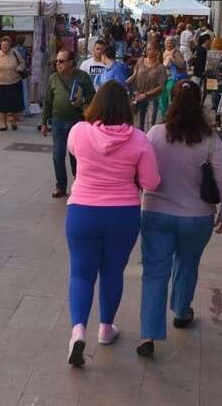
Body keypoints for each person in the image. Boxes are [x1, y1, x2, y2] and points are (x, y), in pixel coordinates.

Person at [64, 81, 160, 366]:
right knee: (112, 272)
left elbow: (73, 152)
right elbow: (151, 182)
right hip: (123, 213)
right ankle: (106, 328)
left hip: (82, 211)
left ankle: (78, 330)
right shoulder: (140, 140)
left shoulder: (79, 132)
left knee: (81, 274)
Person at [138, 80, 222, 357]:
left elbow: (141, 170)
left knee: (155, 272)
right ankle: (181, 311)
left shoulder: (155, 134)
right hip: (197, 216)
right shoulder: (210, 140)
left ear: (172, 100)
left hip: (155, 212)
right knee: (187, 262)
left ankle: (148, 334)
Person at [41, 50, 96, 199]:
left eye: (61, 61)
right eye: (57, 61)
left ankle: (79, 184)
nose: (58, 64)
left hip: (77, 123)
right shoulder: (53, 78)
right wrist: (44, 122)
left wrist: (83, 101)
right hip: (58, 122)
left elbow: (92, 95)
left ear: (71, 62)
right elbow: (47, 102)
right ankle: (61, 186)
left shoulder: (82, 77)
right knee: (57, 156)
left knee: (76, 156)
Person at [0, 36, 25, 131]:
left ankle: (13, 122)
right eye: (3, 45)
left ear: (10, 46)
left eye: (7, 45)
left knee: (14, 104)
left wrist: (20, 68)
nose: (5, 47)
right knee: (2, 105)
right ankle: (4, 124)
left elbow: (22, 62)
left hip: (14, 82)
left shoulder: (15, 53)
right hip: (1, 83)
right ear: (0, 45)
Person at [127, 45, 167, 131]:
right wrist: (126, 83)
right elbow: (134, 75)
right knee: (138, 122)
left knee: (150, 122)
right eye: (147, 49)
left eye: (150, 49)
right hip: (138, 95)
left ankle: (148, 141)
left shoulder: (161, 68)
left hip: (152, 98)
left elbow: (161, 86)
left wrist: (146, 94)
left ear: (156, 52)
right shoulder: (140, 61)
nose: (147, 51)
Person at [160, 36, 188, 119]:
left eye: (170, 42)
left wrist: (173, 60)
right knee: (162, 96)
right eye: (167, 42)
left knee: (171, 92)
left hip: (175, 78)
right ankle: (164, 116)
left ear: (173, 43)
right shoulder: (164, 52)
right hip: (166, 78)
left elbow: (182, 64)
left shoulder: (176, 52)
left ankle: (173, 115)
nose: (168, 43)